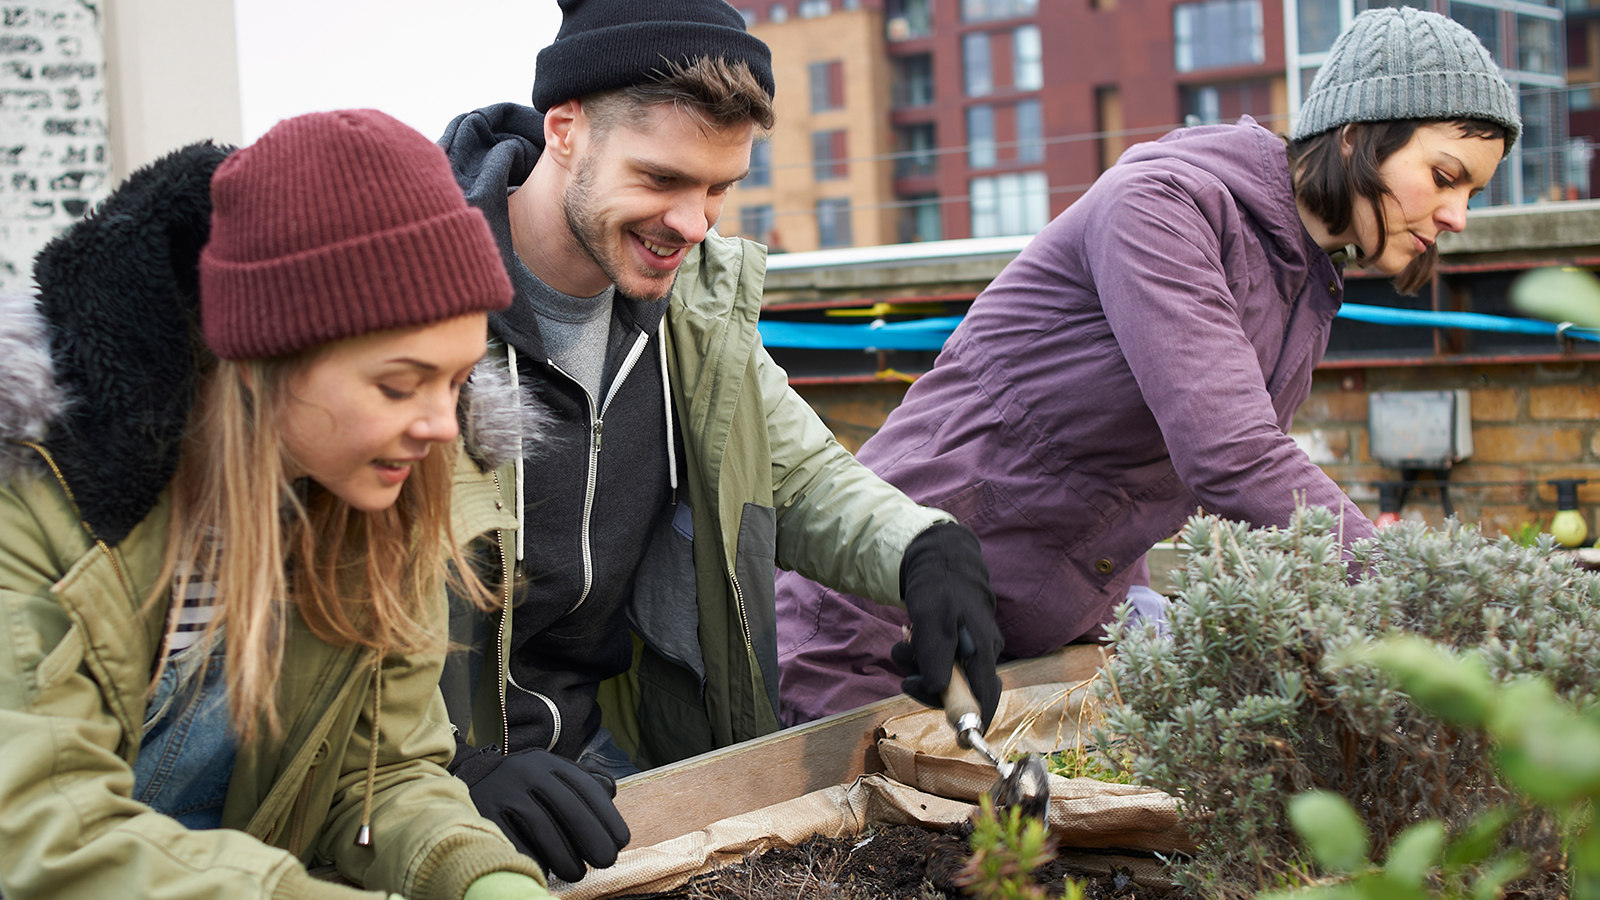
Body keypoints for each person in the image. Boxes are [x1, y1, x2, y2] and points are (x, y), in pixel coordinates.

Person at [774, 5, 1521, 724]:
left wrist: (1139, 612)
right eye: (1446, 175)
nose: (1457, 216)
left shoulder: (1304, 279)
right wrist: (1424, 597)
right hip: (876, 624)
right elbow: (1229, 454)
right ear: (1357, 135)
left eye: (1473, 193)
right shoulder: (1166, 206)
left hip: (1015, 648)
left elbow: (1126, 475)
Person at [434, 0, 1004, 882]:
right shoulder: (417, 299)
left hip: (601, 763)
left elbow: (804, 474)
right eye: (662, 179)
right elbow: (307, 594)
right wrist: (450, 770)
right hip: (419, 785)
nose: (694, 223)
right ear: (566, 129)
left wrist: (925, 551)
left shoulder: (689, 310)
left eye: (719, 189)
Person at [0, 110, 559, 899]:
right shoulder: (34, 510)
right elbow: (45, 835)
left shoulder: (377, 498)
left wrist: (477, 874)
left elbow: (381, 775)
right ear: (264, 364)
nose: (441, 426)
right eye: (399, 384)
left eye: (458, 379)